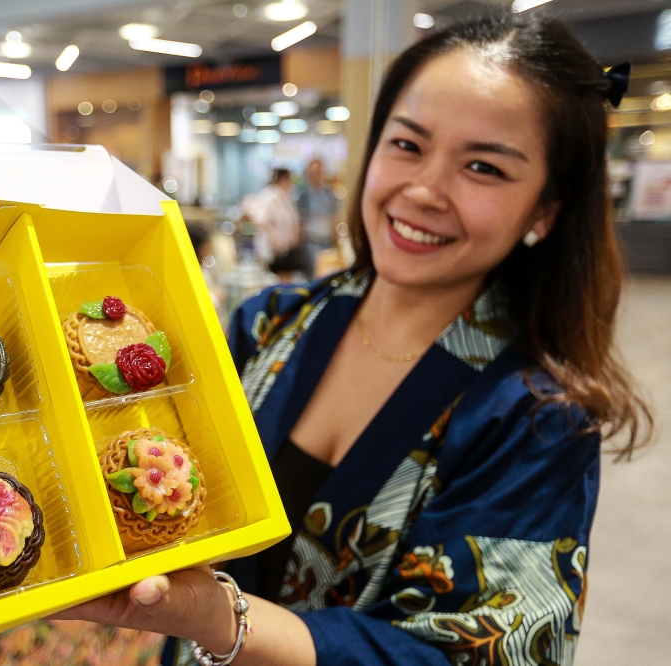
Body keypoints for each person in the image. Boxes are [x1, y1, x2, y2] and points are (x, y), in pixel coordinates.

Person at [53, 14, 652, 666]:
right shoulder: (271, 321)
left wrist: (217, 617)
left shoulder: (535, 420)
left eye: (482, 166)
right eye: (407, 145)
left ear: (545, 209)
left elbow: (477, 655)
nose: (422, 190)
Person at [243, 168, 308, 280]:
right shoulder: (270, 195)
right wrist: (275, 239)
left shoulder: (285, 197)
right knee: (278, 279)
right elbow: (260, 219)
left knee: (288, 277)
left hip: (286, 249)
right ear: (283, 179)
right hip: (274, 250)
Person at [297, 158, 339, 269]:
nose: (315, 176)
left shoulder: (329, 194)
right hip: (311, 243)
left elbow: (334, 219)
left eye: (318, 172)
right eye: (313, 173)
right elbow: (300, 223)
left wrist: (337, 241)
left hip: (327, 242)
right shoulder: (304, 196)